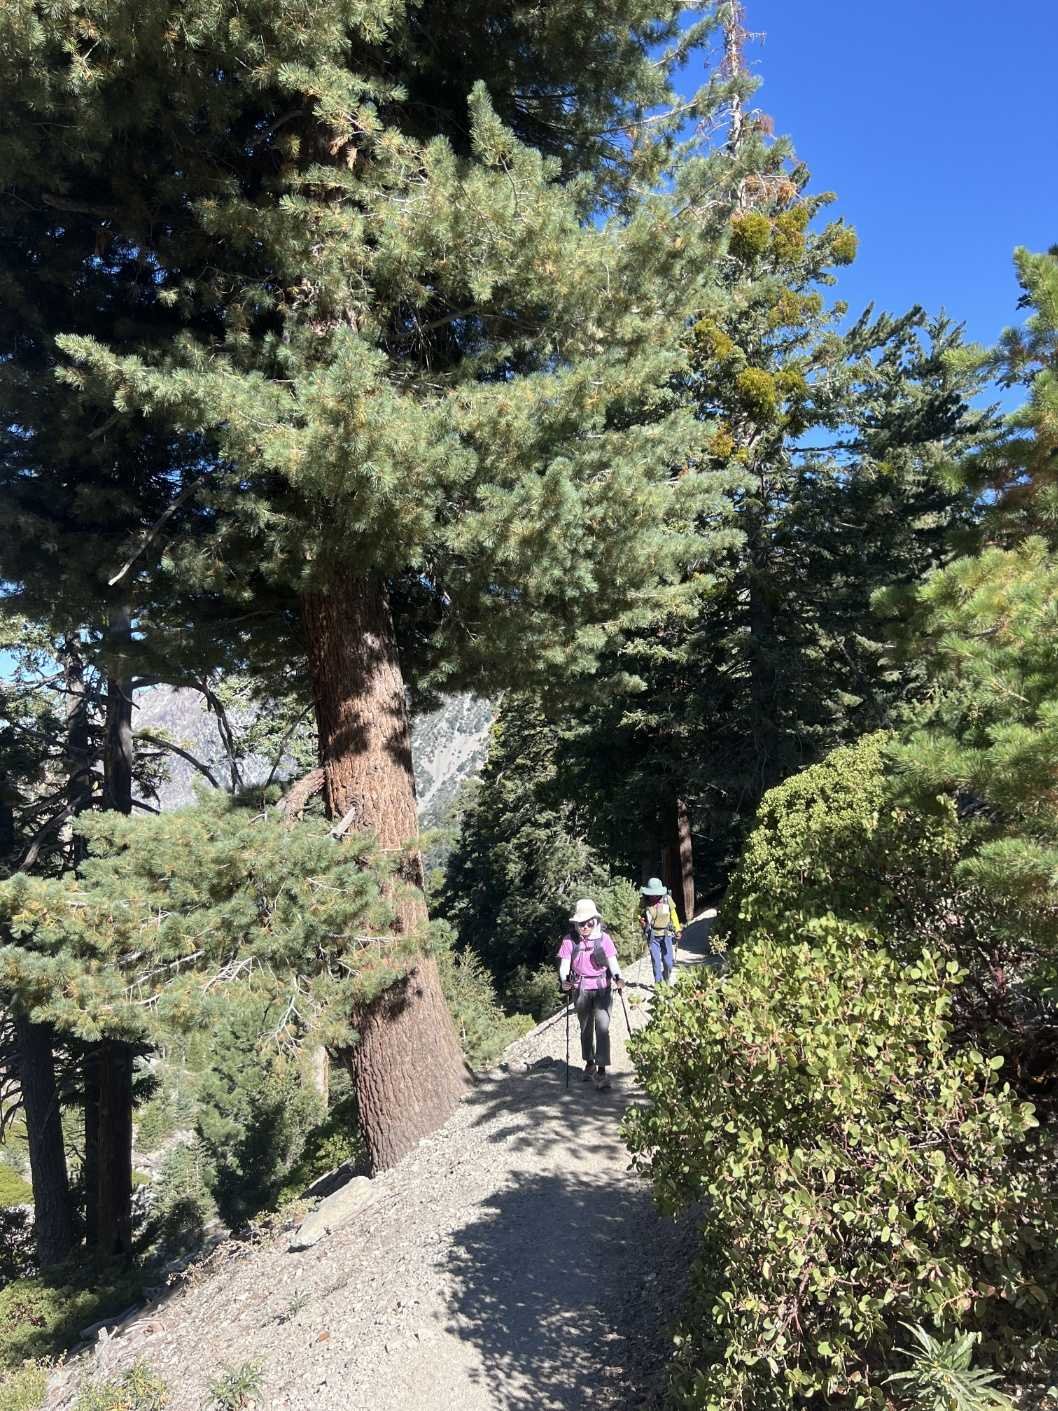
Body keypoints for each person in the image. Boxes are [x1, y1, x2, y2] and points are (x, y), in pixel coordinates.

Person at [557, 898, 625, 1091]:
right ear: (576, 924)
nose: (585, 926)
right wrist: (565, 980)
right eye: (581, 923)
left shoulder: (604, 939)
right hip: (581, 989)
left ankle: (601, 1071)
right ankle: (589, 1062)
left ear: (595, 920)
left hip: (603, 987)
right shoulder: (569, 940)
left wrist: (618, 977)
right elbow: (564, 966)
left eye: (589, 922)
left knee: (602, 1027)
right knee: (585, 1028)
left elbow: (612, 962)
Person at [640, 877, 682, 984]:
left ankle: (666, 978)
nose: (653, 896)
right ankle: (659, 984)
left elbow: (673, 914)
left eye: (655, 893)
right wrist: (641, 921)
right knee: (656, 961)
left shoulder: (667, 900)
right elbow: (638, 913)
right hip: (652, 935)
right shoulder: (644, 901)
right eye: (651, 894)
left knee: (668, 962)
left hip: (666, 934)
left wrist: (677, 929)